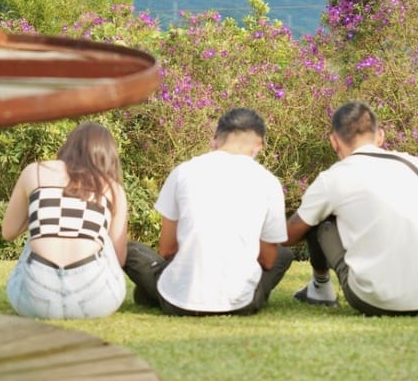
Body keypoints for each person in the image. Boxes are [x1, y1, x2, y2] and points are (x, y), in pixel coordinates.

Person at [286, 101, 418, 316]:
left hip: (371, 299)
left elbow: (289, 236)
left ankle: (320, 287)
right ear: (380, 136)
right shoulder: (413, 165)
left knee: (318, 215)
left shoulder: (332, 179)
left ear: (334, 141)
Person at [123, 108, 293, 316]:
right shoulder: (268, 182)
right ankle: (247, 293)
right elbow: (268, 259)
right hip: (241, 304)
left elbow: (167, 249)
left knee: (129, 249)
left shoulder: (184, 172)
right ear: (259, 146)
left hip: (179, 301)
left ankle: (154, 292)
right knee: (283, 254)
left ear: (215, 140)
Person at [2, 122, 129, 319]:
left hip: (34, 302)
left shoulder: (35, 171)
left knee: (40, 230)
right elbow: (119, 259)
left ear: (69, 145)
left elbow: (8, 232)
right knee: (103, 235)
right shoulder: (113, 188)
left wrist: (40, 209)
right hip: (96, 301)